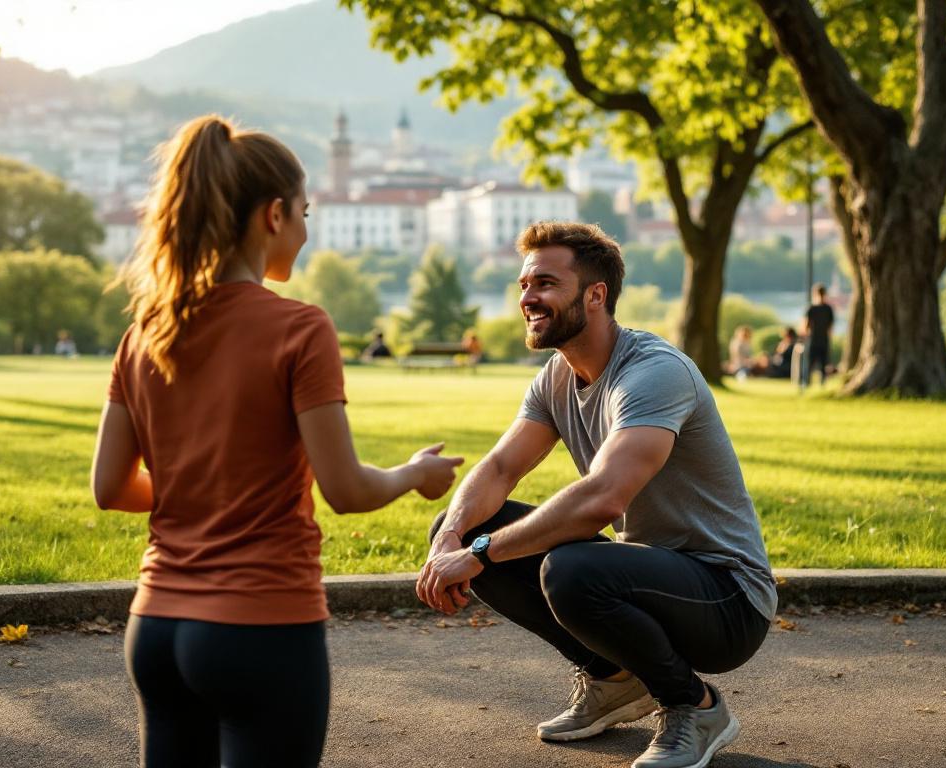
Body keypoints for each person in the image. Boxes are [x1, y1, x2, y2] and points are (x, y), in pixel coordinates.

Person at [89, 115, 464, 768]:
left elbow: (111, 488)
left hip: (155, 628)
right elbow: (345, 490)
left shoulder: (143, 333)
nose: (307, 229)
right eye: (304, 211)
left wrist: (202, 488)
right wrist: (412, 474)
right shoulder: (301, 328)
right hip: (259, 627)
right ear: (273, 215)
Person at [418, 222, 774, 768]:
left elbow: (603, 497)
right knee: (467, 525)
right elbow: (498, 469)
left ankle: (695, 707)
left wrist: (480, 554)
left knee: (572, 569)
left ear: (595, 294)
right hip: (651, 576)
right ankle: (613, 681)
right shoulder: (556, 378)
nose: (527, 298)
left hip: (727, 597)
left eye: (544, 283)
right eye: (522, 285)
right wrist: (451, 538)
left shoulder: (653, 372)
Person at [801, 283, 834, 388]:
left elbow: (805, 326)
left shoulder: (811, 308)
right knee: (823, 364)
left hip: (813, 340)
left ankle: (806, 383)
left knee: (809, 363)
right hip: (824, 340)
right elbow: (830, 327)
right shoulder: (828, 309)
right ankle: (822, 384)